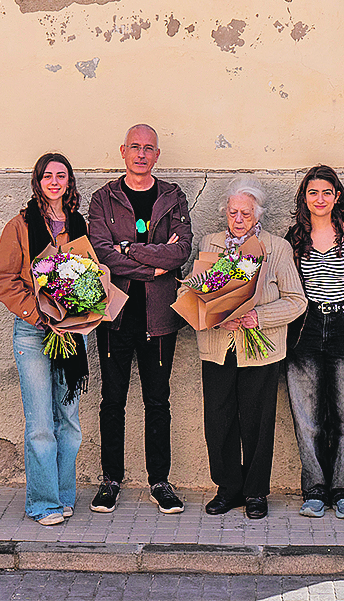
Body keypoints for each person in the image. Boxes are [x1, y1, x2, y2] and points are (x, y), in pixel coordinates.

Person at [87, 124, 192, 514]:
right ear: (123, 151)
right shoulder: (104, 199)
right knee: (112, 400)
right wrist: (153, 264)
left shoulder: (173, 196)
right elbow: (101, 253)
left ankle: (159, 481)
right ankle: (110, 479)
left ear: (157, 155)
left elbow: (180, 251)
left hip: (159, 317)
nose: (142, 154)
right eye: (135, 147)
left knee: (157, 401)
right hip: (115, 316)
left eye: (149, 148)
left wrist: (130, 249)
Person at [195, 174, 306, 520]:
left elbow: (296, 301)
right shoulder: (210, 243)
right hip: (218, 346)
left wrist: (257, 316)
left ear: (258, 214)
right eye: (233, 213)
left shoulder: (276, 248)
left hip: (260, 349)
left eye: (245, 213)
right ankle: (228, 488)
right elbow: (191, 290)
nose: (238, 220)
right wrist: (213, 312)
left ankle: (256, 492)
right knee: (218, 420)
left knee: (257, 422)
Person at [0, 152, 88, 526]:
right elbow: (4, 281)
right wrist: (39, 313)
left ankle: (64, 497)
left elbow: (90, 274)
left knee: (70, 421)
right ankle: (43, 503)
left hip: (71, 333)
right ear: (37, 181)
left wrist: (79, 310)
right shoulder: (19, 226)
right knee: (41, 424)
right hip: (34, 333)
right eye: (47, 175)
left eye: (61, 175)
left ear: (69, 183)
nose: (54, 182)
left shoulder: (78, 225)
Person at [284, 165, 344, 520]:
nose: (320, 199)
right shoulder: (294, 238)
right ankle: (315, 489)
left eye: (326, 192)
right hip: (305, 326)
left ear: (337, 196)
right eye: (313, 192)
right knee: (307, 415)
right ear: (305, 197)